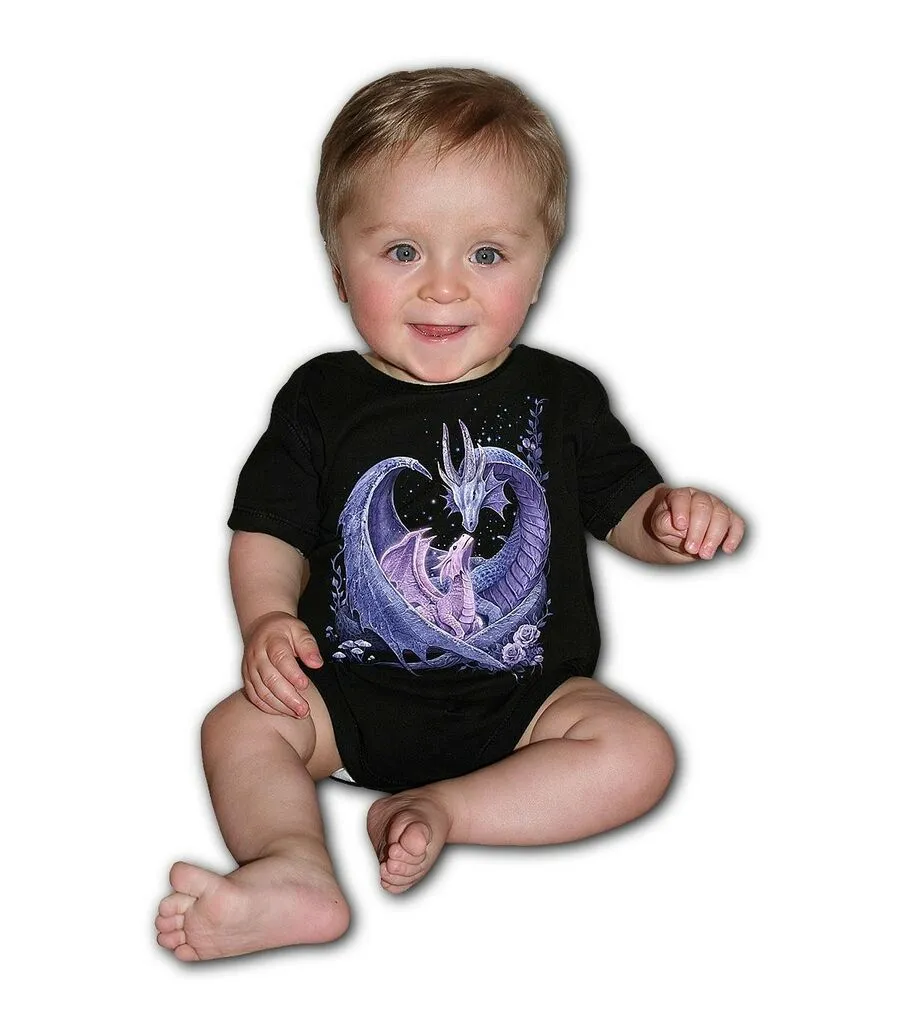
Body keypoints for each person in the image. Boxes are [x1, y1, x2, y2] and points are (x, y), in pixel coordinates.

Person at [155, 67, 745, 961]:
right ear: (338, 263)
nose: (442, 288)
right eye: (402, 252)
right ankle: (294, 867)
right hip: (342, 703)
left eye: (487, 255)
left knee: (639, 752)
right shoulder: (321, 397)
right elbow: (267, 530)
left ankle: (443, 810)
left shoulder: (563, 395)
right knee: (237, 726)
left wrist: (669, 519)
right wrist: (267, 619)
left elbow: (626, 511)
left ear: (541, 267)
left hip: (529, 710)